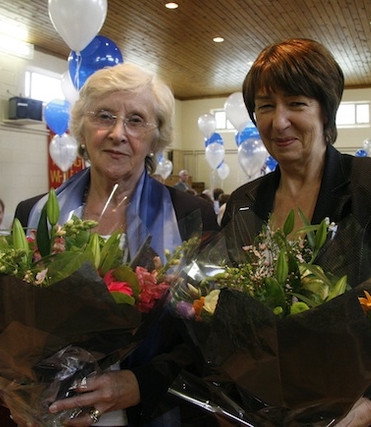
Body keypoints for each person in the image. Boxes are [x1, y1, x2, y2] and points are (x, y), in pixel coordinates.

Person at [221, 38, 371, 426]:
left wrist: (357, 413)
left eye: (296, 103)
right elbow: (228, 325)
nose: (278, 121)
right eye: (265, 106)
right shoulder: (244, 202)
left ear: (326, 110)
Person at [14, 63, 218, 426]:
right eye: (104, 116)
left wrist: (139, 383)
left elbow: (212, 338)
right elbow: (12, 324)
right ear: (81, 128)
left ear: (156, 136)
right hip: (55, 413)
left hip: (153, 410)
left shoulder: (191, 216)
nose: (117, 133)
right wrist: (18, 386)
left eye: (136, 120)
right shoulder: (35, 215)